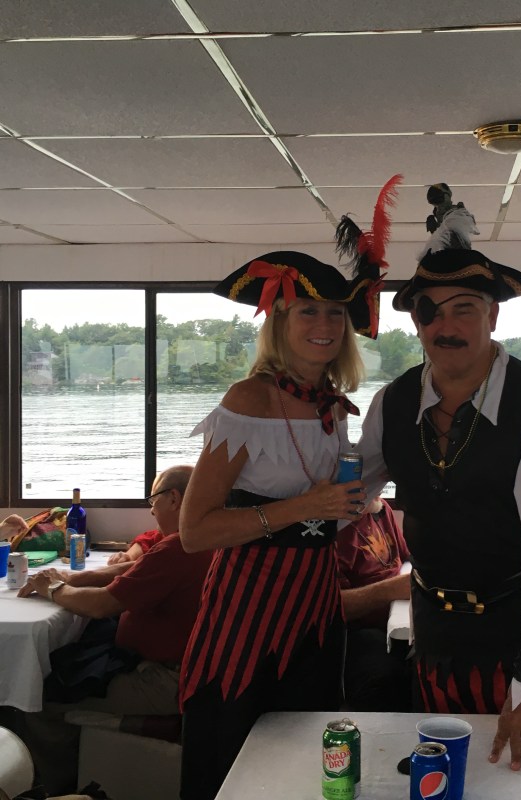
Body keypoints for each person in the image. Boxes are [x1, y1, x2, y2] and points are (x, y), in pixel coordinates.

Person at [357, 185, 521, 798]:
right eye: (431, 312)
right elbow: (344, 495)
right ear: (415, 323)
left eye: (464, 307)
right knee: (443, 788)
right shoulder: (392, 403)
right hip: (435, 643)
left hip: (518, 648)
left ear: (493, 315)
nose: (447, 326)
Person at [176, 201, 400, 799]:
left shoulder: (332, 402)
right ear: (279, 317)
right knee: (232, 758)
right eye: (308, 310)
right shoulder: (249, 399)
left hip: (315, 601)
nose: (324, 323)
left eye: (335, 312)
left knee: (307, 758)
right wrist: (306, 507)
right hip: (247, 605)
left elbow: (338, 500)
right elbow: (195, 531)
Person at [16, 464, 212, 795]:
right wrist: (71, 579)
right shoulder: (201, 539)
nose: (151, 510)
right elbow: (135, 567)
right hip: (170, 665)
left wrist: (52, 590)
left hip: (163, 679)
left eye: (154, 500)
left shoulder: (180, 548)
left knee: (36, 701)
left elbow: (100, 605)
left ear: (175, 499)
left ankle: (56, 786)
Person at [337, 496, 412, 711]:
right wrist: (392, 590)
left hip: (397, 623)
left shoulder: (380, 509)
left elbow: (408, 557)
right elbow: (331, 606)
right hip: (357, 634)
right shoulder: (334, 529)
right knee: (388, 678)